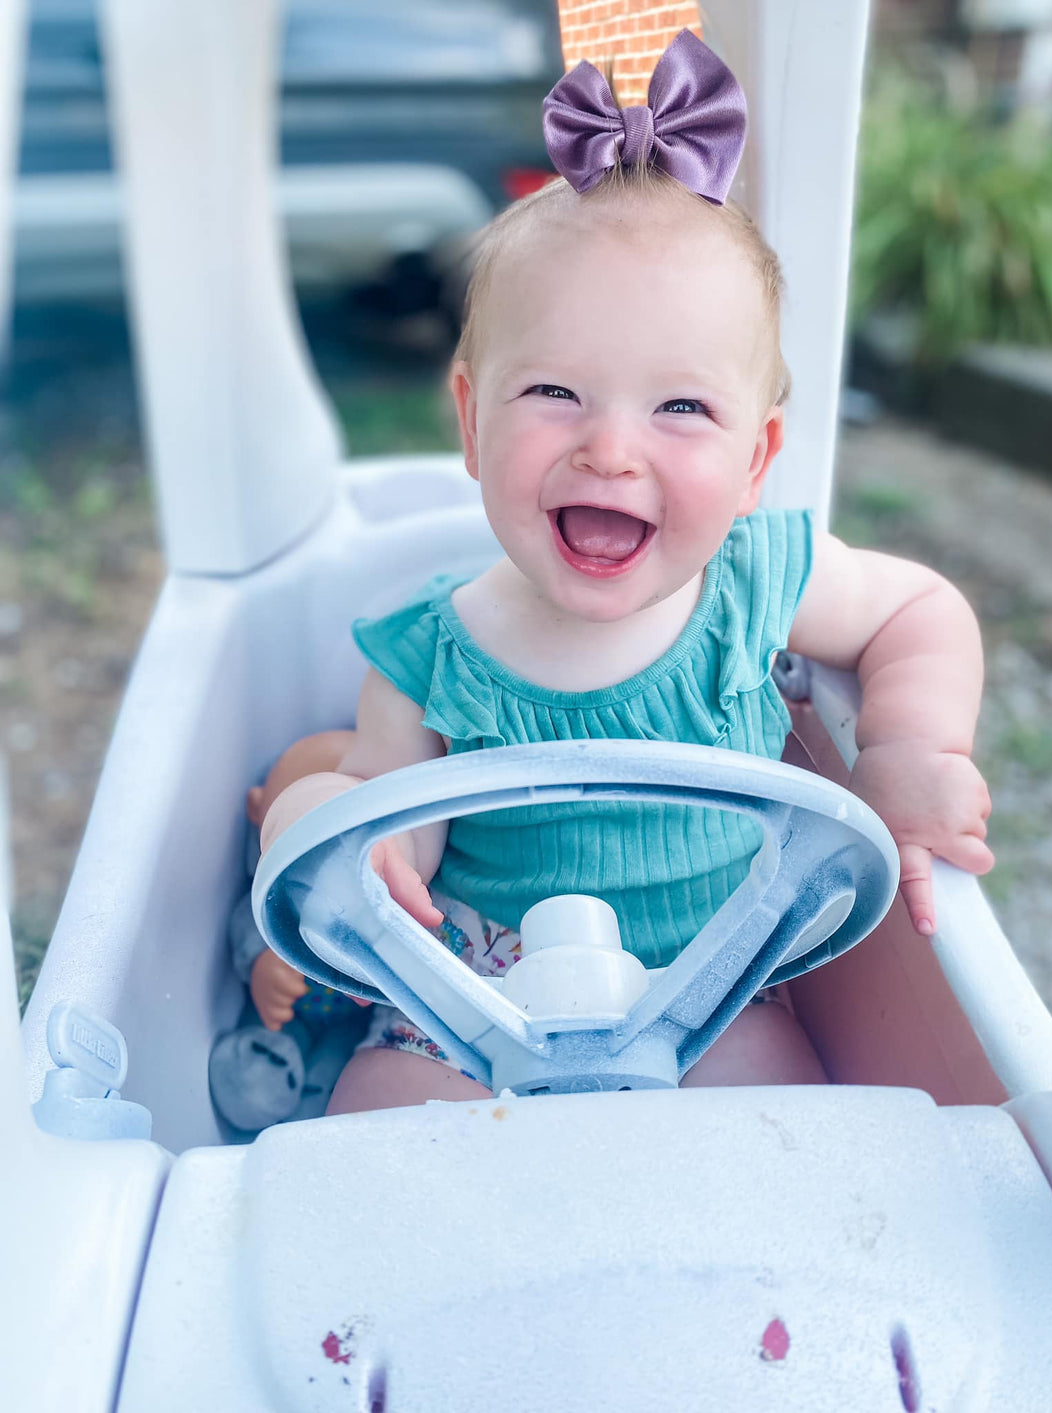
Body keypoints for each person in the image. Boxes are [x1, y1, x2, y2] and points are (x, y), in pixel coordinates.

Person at [260, 31, 993, 1115]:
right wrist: (324, 823)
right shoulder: (429, 649)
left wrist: (906, 749)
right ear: (470, 419)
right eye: (555, 391)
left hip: (714, 993)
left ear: (756, 463)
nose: (610, 450)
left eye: (681, 408)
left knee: (786, 1117)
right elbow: (387, 811)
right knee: (373, 1114)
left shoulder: (758, 586)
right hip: (473, 1003)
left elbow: (919, 611)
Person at [208, 731, 370, 1130]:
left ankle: (320, 1103)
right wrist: (263, 962)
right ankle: (267, 1076)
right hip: (286, 1015)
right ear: (258, 808)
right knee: (262, 1063)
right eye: (300, 821)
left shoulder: (366, 899)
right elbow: (246, 923)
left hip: (354, 1020)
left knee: (346, 1066)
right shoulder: (273, 894)